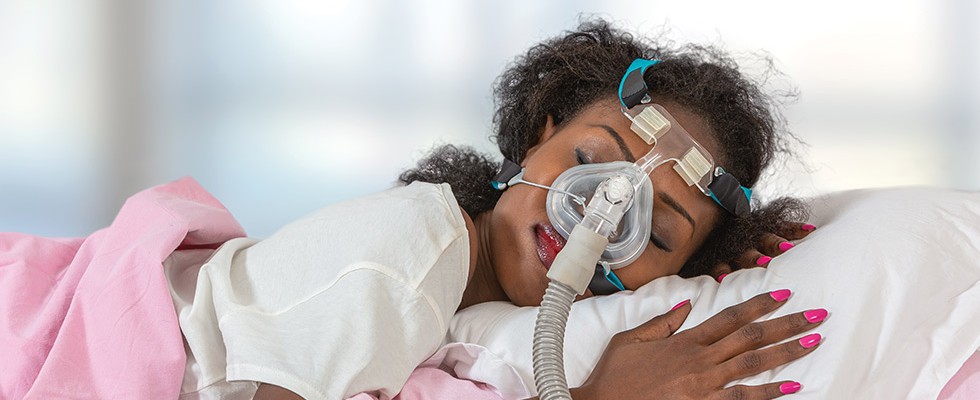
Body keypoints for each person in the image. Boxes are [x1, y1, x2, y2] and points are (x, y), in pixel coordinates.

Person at [170, 19, 825, 400]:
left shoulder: (470, 309)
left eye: (652, 233)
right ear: (538, 138)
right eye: (586, 160)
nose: (596, 218)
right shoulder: (409, 249)